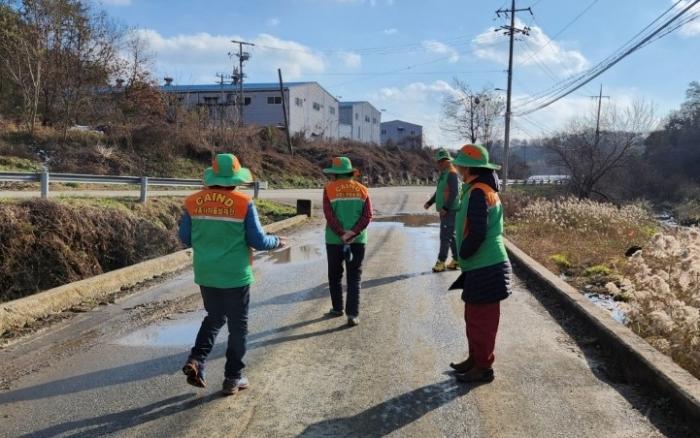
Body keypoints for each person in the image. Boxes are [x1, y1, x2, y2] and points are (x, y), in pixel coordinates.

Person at [178, 153, 286, 396]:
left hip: (206, 272)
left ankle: (196, 360)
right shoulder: (243, 202)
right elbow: (258, 241)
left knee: (214, 317)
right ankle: (232, 378)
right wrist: (277, 241)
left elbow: (185, 238)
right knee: (238, 326)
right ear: (236, 178)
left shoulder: (192, 202)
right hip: (236, 274)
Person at [448, 144, 512, 383]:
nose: (457, 169)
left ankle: (484, 368)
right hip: (482, 265)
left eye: (460, 165)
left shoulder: (478, 192)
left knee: (482, 322)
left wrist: (463, 253)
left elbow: (477, 231)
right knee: (473, 317)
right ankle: (475, 359)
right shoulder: (478, 189)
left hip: (487, 266)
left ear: (468, 168)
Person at [322, 157, 372, 327]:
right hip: (358, 240)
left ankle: (337, 308)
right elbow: (368, 216)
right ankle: (353, 314)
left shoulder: (329, 189)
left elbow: (329, 215)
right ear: (350, 172)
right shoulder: (363, 189)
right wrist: (353, 232)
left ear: (335, 174)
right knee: (354, 277)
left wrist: (341, 233)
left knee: (335, 275)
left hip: (334, 240)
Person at [424, 148, 461, 273]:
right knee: (451, 236)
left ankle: (441, 262)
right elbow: (439, 192)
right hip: (447, 211)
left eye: (440, 161)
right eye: (437, 161)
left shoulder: (452, 174)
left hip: (450, 210)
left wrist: (445, 207)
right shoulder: (445, 174)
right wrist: (430, 202)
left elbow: (454, 192)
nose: (438, 164)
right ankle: (457, 260)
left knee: (445, 236)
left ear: (447, 161)